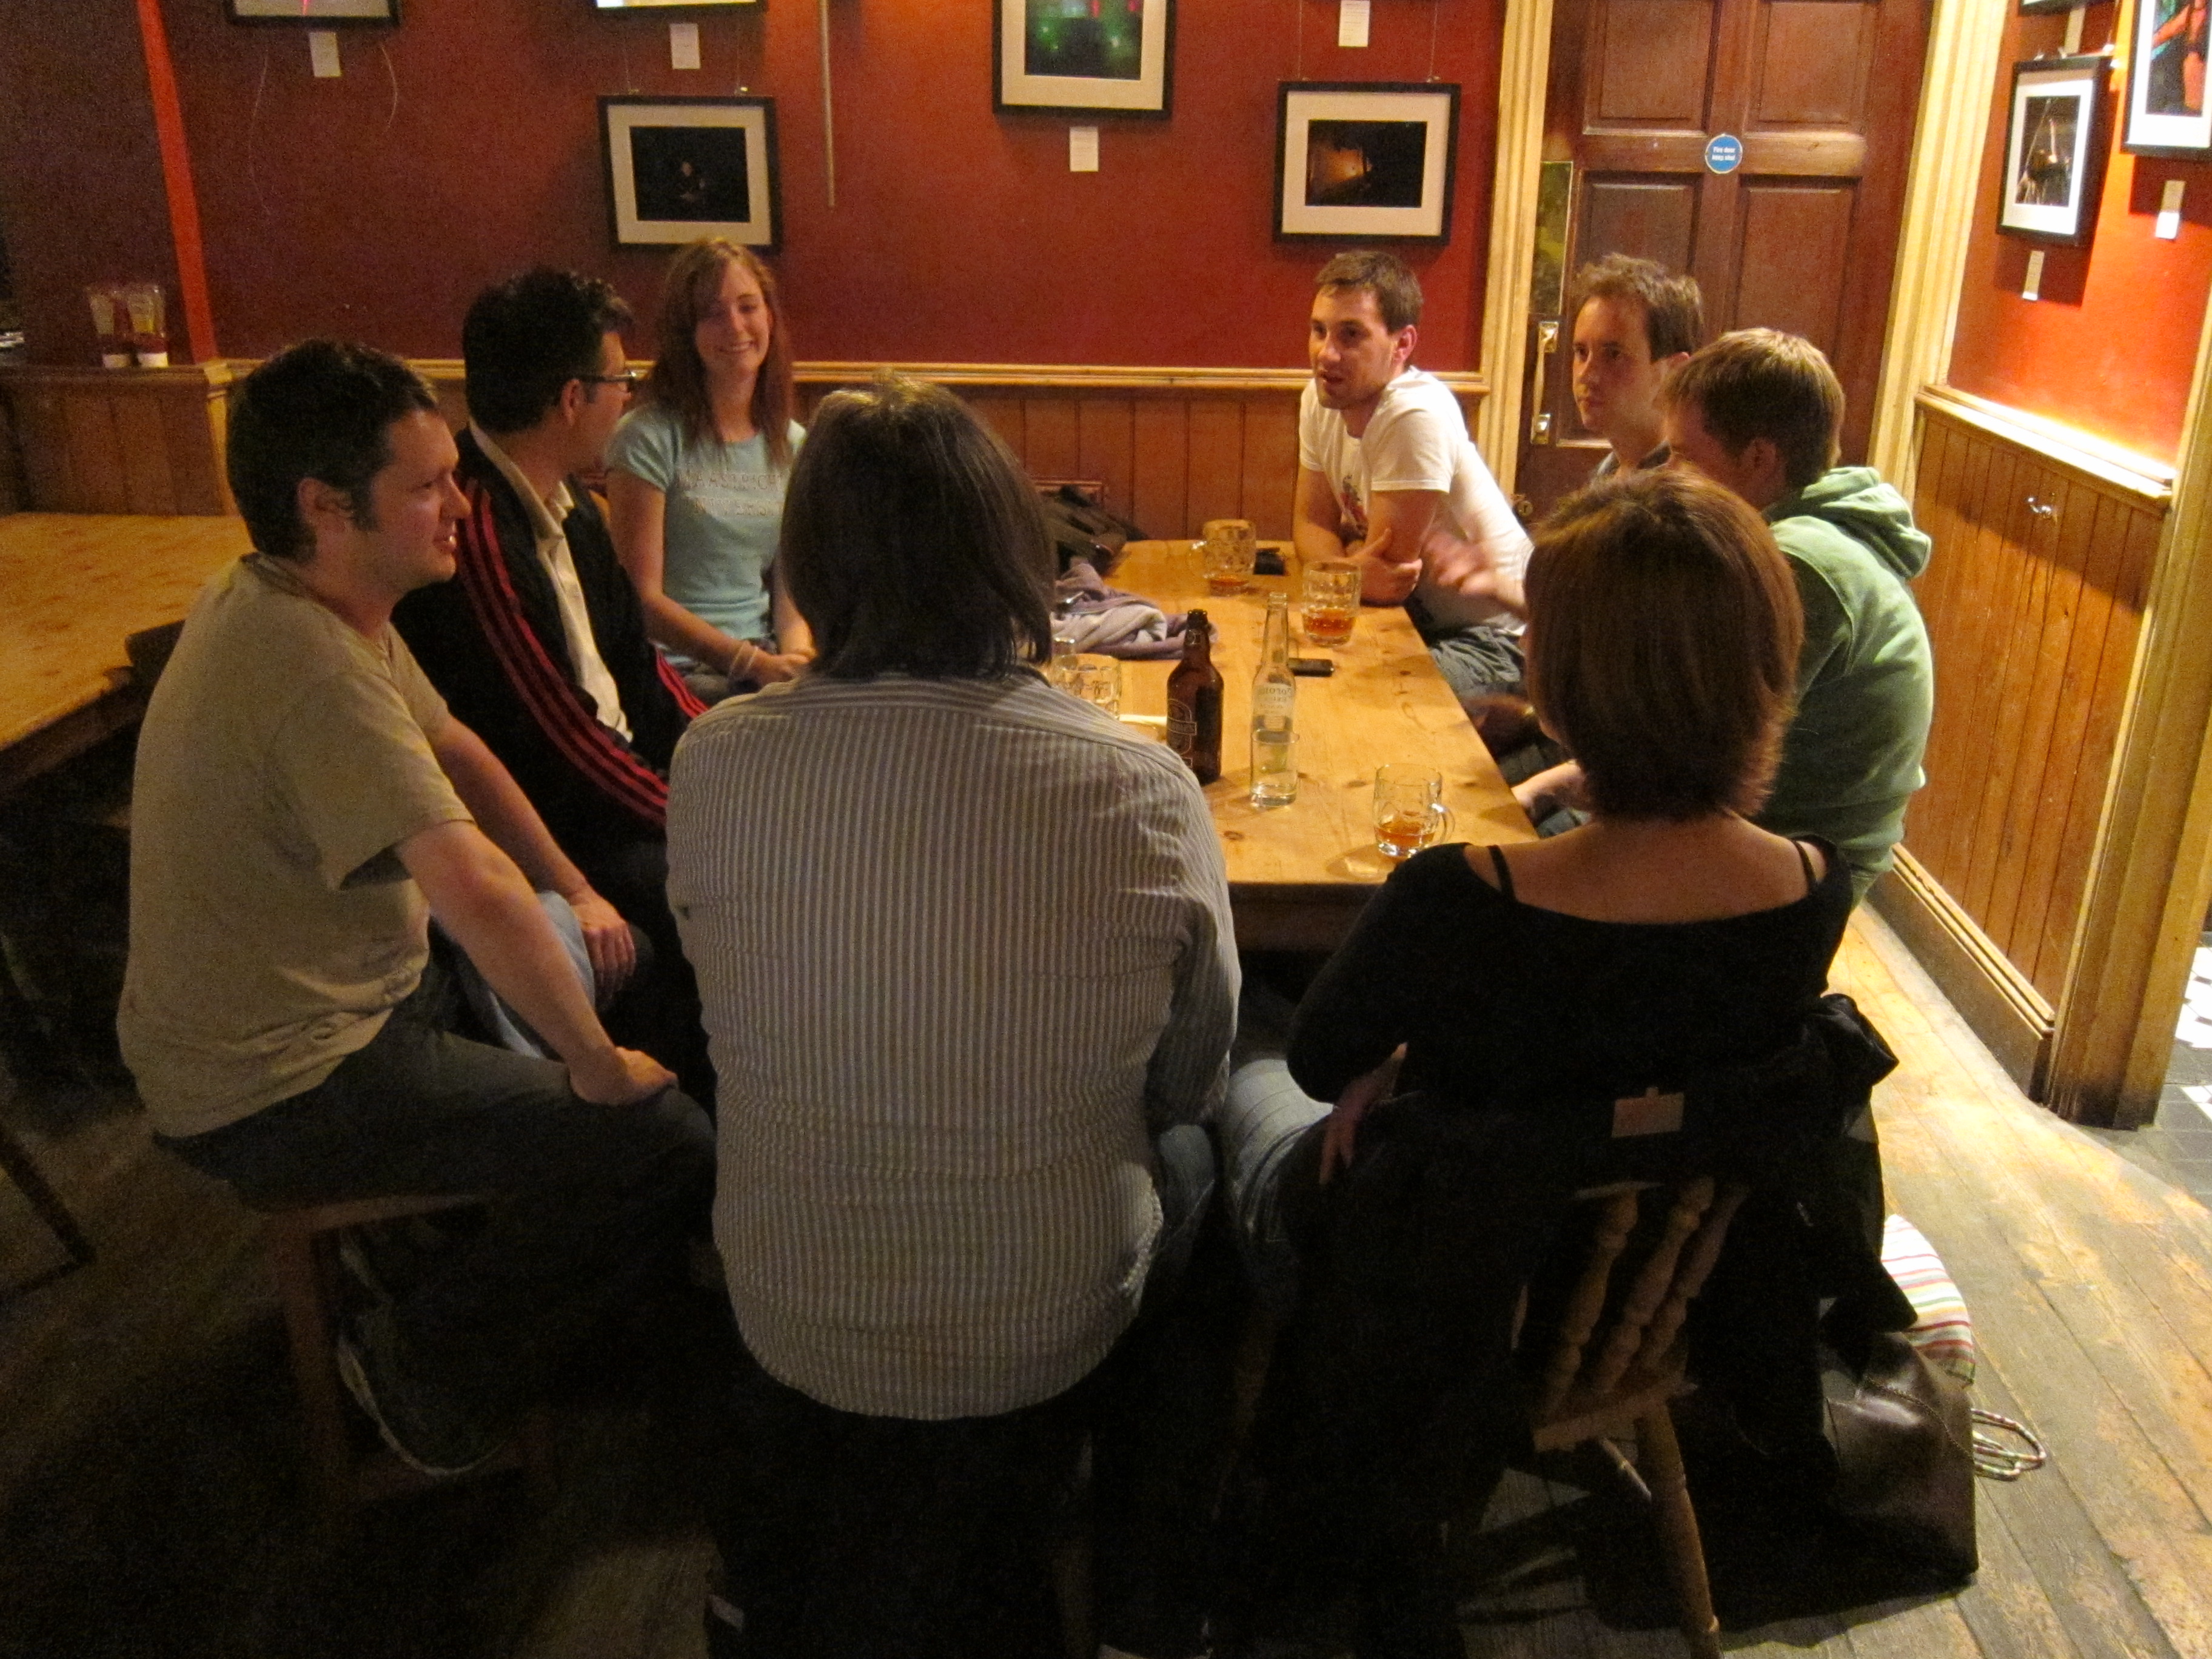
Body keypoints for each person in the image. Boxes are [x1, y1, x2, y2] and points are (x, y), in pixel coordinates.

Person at [1212, 469, 1877, 1658]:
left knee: (1242, 1021)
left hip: (1431, 1272)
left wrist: (1396, 1058)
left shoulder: (1460, 896)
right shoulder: (1814, 888)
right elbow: (1645, 1006)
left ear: (1560, 684)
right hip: (1630, 1280)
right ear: (1765, 670)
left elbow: (1323, 1066)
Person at [667, 374, 1240, 1659]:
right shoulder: (1142, 787)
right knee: (1204, 1156)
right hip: (1039, 1329)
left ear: (808, 560)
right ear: (1013, 555)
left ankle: (773, 1566)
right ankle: (1149, 1600)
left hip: (789, 1305)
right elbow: (1192, 1070)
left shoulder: (714, 760)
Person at [121, 340, 714, 1478]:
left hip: (355, 1002)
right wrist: (589, 1061)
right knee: (659, 1136)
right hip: (280, 1081)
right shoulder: (309, 665)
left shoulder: (314, 601)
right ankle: (420, 1366)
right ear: (325, 507)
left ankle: (478, 1266)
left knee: (642, 973)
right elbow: (473, 883)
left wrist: (584, 895)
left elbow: (460, 749)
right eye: (431, 485)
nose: (461, 504)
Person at [392, 267, 711, 1093]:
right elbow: (562, 740)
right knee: (732, 909)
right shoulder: (479, 534)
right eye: (620, 381)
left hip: (611, 796)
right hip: (554, 831)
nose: (627, 399)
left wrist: (718, 760)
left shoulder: (570, 502)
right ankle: (708, 1147)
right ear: (574, 398)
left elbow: (641, 677)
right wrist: (701, 821)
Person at [1660, 329, 1934, 899]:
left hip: (1801, 872)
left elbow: (1705, 757)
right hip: (1770, 841)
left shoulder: (1799, 562)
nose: (1666, 474)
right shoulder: (1804, 535)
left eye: (1684, 455)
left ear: (1759, 458)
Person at [1291, 250, 1535, 705]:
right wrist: (1345, 569)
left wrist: (1338, 566)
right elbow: (1310, 527)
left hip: (1497, 640)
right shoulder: (1321, 397)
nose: (1326, 353)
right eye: (1319, 330)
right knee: (1296, 671)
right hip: (1419, 623)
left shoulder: (1414, 412)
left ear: (1402, 345)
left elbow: (1387, 575)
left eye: (1351, 335)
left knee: (1356, 699)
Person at [607, 238, 812, 705]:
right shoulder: (647, 436)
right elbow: (641, 601)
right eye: (713, 314)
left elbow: (790, 596)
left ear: (770, 316)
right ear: (686, 331)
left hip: (759, 662)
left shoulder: (793, 443)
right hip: (673, 668)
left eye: (748, 307)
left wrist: (797, 663)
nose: (736, 327)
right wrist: (752, 665)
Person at [1567, 252, 1703, 476]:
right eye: (1582, 352)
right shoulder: (1607, 474)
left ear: (1675, 372)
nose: (1586, 374)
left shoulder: (1685, 495)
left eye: (1613, 355)